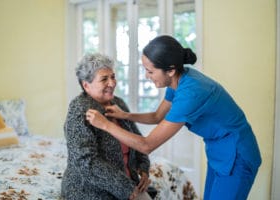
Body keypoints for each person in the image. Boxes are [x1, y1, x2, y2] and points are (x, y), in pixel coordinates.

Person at [85, 35, 262, 200]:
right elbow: (157, 116)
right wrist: (125, 115)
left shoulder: (191, 92)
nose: (147, 76)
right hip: (219, 150)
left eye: (150, 71)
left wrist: (105, 125)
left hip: (237, 154)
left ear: (170, 70)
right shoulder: (177, 80)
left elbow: (147, 145)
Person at [61, 53, 153, 200]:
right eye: (104, 79)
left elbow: (137, 141)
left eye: (113, 76)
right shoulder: (79, 109)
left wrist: (143, 169)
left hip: (128, 184)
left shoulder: (118, 103)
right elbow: (86, 162)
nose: (112, 83)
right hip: (90, 191)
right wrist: (125, 187)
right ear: (86, 85)